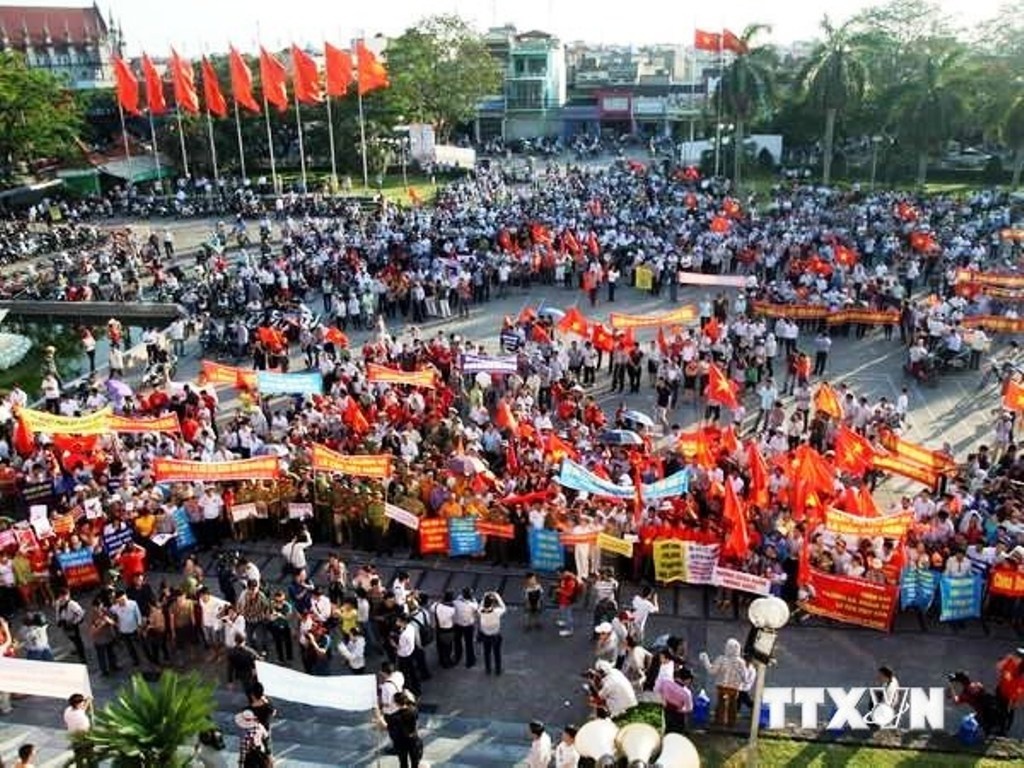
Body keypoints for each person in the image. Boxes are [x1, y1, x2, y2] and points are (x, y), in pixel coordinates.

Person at [699, 638, 746, 727]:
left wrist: (705, 660)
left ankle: (719, 722)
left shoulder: (721, 659)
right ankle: (731, 723)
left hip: (722, 686)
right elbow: (744, 677)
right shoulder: (741, 662)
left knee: (721, 704)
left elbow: (712, 671)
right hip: (734, 688)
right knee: (733, 705)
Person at [654, 666, 694, 734]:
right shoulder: (686, 692)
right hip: (678, 715)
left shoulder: (666, 682)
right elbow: (689, 708)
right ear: (688, 680)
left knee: (665, 732)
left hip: (664, 710)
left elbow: (656, 690)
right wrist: (680, 709)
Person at [390, 691, 423, 768]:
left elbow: (389, 727)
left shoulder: (395, 717)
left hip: (401, 742)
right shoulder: (414, 710)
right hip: (413, 739)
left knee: (403, 762)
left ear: (396, 703)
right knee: (415, 762)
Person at [55, 587, 87, 662]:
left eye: (65, 595)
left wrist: (75, 622)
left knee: (78, 640)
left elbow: (81, 613)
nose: (63, 597)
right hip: (64, 623)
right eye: (61, 596)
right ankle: (77, 648)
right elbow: (57, 612)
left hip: (72, 623)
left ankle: (82, 657)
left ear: (68, 595)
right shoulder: (58, 603)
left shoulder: (72, 604)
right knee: (70, 637)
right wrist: (58, 620)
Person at [478, 591, 506, 676]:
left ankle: (488, 669)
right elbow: (504, 607)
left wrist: (485, 596)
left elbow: (480, 606)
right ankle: (498, 670)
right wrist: (497, 596)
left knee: (486, 653)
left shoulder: (480, 611)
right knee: (497, 654)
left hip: (485, 636)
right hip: (495, 636)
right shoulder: (496, 612)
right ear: (493, 604)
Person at [63, 693, 93, 768]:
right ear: (78, 704)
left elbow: (82, 709)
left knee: (78, 756)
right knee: (89, 755)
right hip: (83, 738)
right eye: (82, 701)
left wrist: (88, 701)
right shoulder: (81, 717)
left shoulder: (68, 710)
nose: (83, 702)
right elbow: (86, 728)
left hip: (73, 737)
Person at [452, 587, 478, 669]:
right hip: (468, 626)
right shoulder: (472, 605)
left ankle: (457, 657)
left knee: (457, 641)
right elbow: (476, 609)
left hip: (458, 625)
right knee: (469, 643)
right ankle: (470, 661)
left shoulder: (456, 602)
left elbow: (456, 600)